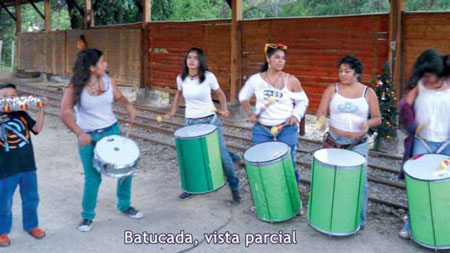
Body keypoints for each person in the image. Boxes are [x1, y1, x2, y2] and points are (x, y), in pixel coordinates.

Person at [60, 48, 142, 232]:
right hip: (89, 137)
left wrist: (128, 106)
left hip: (112, 131)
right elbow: (65, 113)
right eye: (102, 62)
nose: (106, 65)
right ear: (91, 67)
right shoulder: (74, 87)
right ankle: (87, 216)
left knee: (126, 170)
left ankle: (124, 205)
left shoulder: (108, 80)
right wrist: (80, 133)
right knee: (93, 178)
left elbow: (118, 96)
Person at [163, 47, 241, 203]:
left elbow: (219, 93)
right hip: (190, 122)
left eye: (195, 58)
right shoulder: (181, 78)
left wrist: (224, 108)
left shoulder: (208, 76)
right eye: (189, 57)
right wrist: (171, 113)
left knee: (222, 157)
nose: (191, 60)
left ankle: (234, 188)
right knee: (191, 157)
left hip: (210, 121)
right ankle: (189, 188)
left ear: (200, 61)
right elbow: (178, 95)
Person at [316, 55, 381, 229]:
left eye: (347, 71)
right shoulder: (333, 89)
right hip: (334, 140)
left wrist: (366, 123)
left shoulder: (368, 92)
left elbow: (377, 119)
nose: (343, 74)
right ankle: (330, 214)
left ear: (356, 72)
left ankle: (358, 220)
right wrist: (321, 124)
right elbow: (321, 112)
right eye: (340, 71)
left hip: (357, 144)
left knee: (359, 181)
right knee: (331, 178)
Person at [398, 49, 450, 239]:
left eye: (431, 75)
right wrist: (413, 126)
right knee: (417, 185)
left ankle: (441, 225)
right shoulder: (418, 85)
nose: (427, 79)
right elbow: (404, 106)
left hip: (447, 144)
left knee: (444, 187)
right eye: (425, 75)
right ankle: (411, 224)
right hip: (423, 143)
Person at [239, 43, 309, 183]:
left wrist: (296, 115)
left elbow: (303, 101)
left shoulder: (292, 80)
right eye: (276, 57)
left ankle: (293, 198)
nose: (280, 61)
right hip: (262, 128)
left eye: (283, 58)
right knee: (263, 162)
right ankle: (268, 198)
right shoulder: (256, 79)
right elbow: (243, 96)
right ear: (267, 58)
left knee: (288, 163)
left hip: (286, 128)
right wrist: (250, 113)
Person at [0, 84, 47, 247]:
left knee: (31, 198)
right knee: (4, 202)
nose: (8, 99)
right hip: (6, 169)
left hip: (27, 166)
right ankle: (2, 232)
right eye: (4, 96)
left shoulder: (22, 114)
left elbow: (37, 129)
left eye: (12, 96)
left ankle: (32, 226)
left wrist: (42, 109)